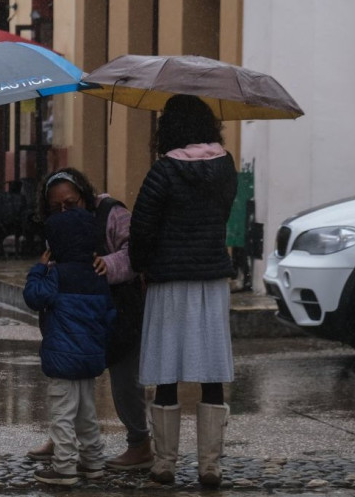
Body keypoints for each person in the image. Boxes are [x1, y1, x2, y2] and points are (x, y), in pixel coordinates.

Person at [128, 94, 238, 487]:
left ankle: (165, 464)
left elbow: (141, 227)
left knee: (166, 374)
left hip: (169, 280)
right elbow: (222, 213)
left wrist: (141, 265)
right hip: (210, 280)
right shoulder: (226, 166)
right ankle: (210, 465)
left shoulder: (163, 171)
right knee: (211, 374)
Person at [27, 167, 153, 471]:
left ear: (84, 196)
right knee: (74, 384)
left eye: (70, 204)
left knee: (124, 379)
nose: (63, 211)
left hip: (120, 307)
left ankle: (140, 444)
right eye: (56, 207)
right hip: (79, 313)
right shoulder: (59, 225)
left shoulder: (112, 213)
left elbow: (136, 250)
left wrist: (107, 265)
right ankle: (63, 440)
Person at [23, 207, 115, 486]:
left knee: (62, 414)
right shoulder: (98, 274)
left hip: (63, 360)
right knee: (86, 414)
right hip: (89, 358)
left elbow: (34, 297)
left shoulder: (57, 274)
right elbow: (110, 315)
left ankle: (64, 467)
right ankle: (93, 463)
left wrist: (38, 270)